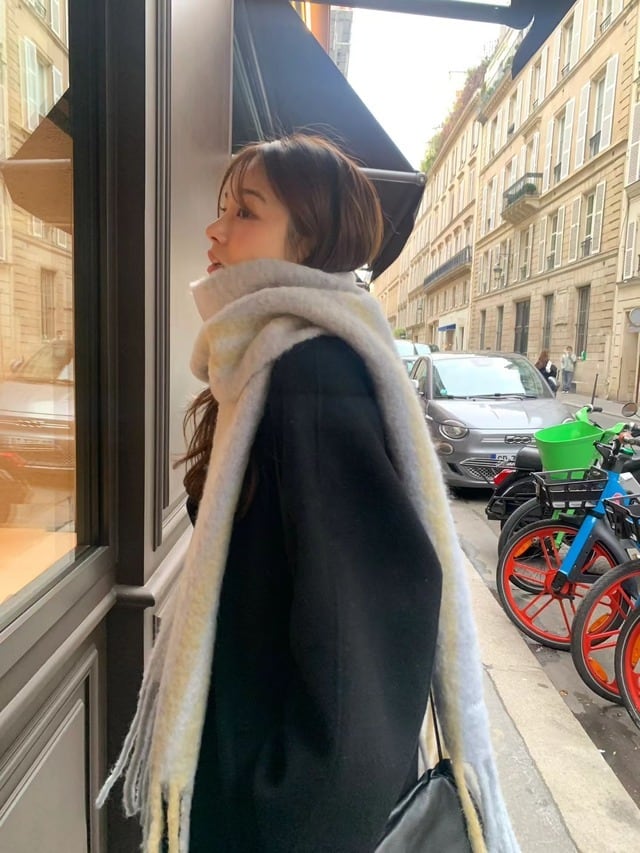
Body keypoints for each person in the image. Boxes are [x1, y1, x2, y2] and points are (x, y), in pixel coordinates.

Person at [98, 135, 517, 853]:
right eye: (224, 207)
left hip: (284, 816)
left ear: (310, 241)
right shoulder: (262, 361)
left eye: (245, 211)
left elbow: (369, 636)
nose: (215, 229)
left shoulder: (313, 375)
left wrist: (285, 809)